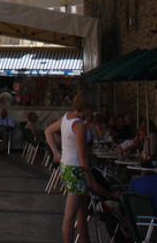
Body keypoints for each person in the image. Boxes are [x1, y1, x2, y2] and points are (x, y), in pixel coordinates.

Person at [46, 91, 97, 243]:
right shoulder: (79, 125)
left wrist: (56, 151)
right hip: (76, 169)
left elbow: (48, 131)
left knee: (82, 212)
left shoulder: (67, 118)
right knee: (70, 215)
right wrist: (89, 177)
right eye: (91, 108)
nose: (92, 112)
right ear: (86, 107)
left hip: (66, 166)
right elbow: (83, 155)